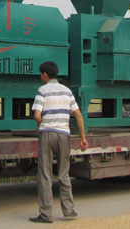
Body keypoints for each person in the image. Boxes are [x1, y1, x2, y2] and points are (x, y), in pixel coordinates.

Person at [30, 61, 88, 224]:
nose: (41, 77)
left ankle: (46, 214)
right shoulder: (67, 91)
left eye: (41, 74)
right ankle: (68, 210)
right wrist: (83, 138)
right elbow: (78, 114)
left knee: (45, 174)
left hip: (47, 134)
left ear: (45, 75)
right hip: (64, 134)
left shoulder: (42, 90)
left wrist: (41, 124)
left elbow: (37, 115)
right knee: (64, 172)